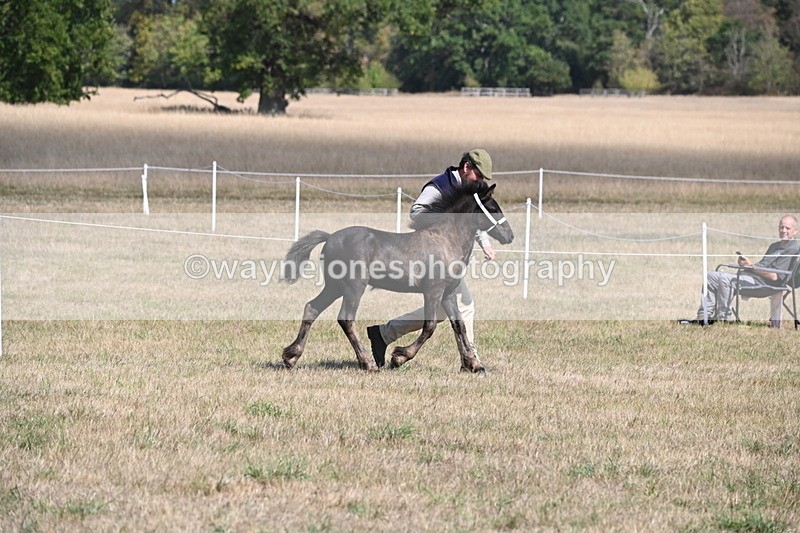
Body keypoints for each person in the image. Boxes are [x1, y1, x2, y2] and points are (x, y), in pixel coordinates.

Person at [366, 149, 497, 367]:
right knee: (463, 304)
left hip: (448, 261)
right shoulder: (439, 186)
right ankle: (471, 359)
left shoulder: (471, 190)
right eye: (479, 175)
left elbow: (475, 217)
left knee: (445, 309)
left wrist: (485, 243)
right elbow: (416, 211)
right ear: (467, 168)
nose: (481, 181)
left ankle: (384, 334)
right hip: (430, 259)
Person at [695, 214, 799, 324]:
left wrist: (750, 267)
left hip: (766, 285)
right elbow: (762, 266)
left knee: (725, 280)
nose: (783, 230)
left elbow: (774, 276)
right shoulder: (774, 246)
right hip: (753, 277)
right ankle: (703, 316)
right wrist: (746, 265)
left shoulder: (793, 249)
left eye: (787, 228)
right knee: (711, 276)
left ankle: (723, 318)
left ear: (795, 231)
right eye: (781, 227)